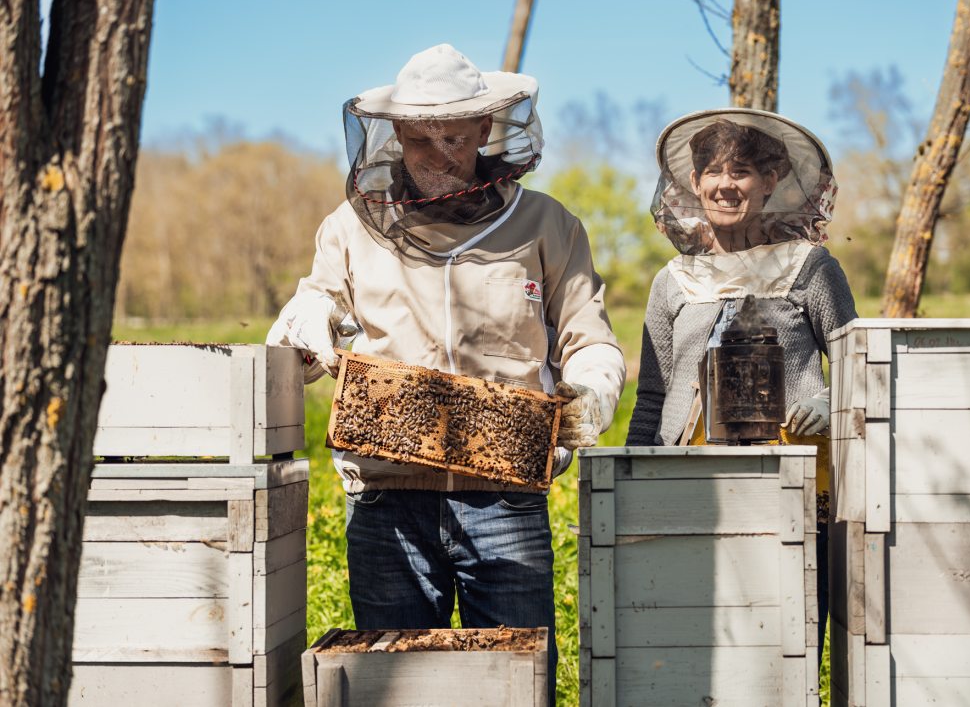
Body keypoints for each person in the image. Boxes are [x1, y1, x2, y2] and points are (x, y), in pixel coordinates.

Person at [267, 44, 626, 703]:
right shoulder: (351, 227)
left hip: (505, 496)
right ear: (394, 135)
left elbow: (588, 338)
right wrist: (308, 322)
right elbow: (307, 325)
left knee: (517, 681)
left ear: (486, 130)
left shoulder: (548, 224)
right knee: (398, 687)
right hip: (386, 497)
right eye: (418, 141)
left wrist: (588, 396)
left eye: (453, 139)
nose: (436, 157)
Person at [625, 109, 857, 659]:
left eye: (742, 172)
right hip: (686, 482)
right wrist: (631, 475)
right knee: (694, 638)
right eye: (712, 172)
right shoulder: (672, 281)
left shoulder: (811, 268)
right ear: (693, 181)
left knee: (785, 638)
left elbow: (858, 365)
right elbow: (653, 394)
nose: (725, 185)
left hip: (795, 480)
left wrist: (831, 404)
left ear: (770, 182)